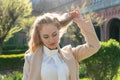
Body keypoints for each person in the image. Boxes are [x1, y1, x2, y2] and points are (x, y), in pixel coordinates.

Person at [22, 10, 101, 80]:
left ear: (59, 32)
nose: (51, 40)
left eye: (54, 34)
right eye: (46, 37)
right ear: (40, 37)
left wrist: (81, 23)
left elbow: (94, 46)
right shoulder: (30, 59)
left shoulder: (71, 54)